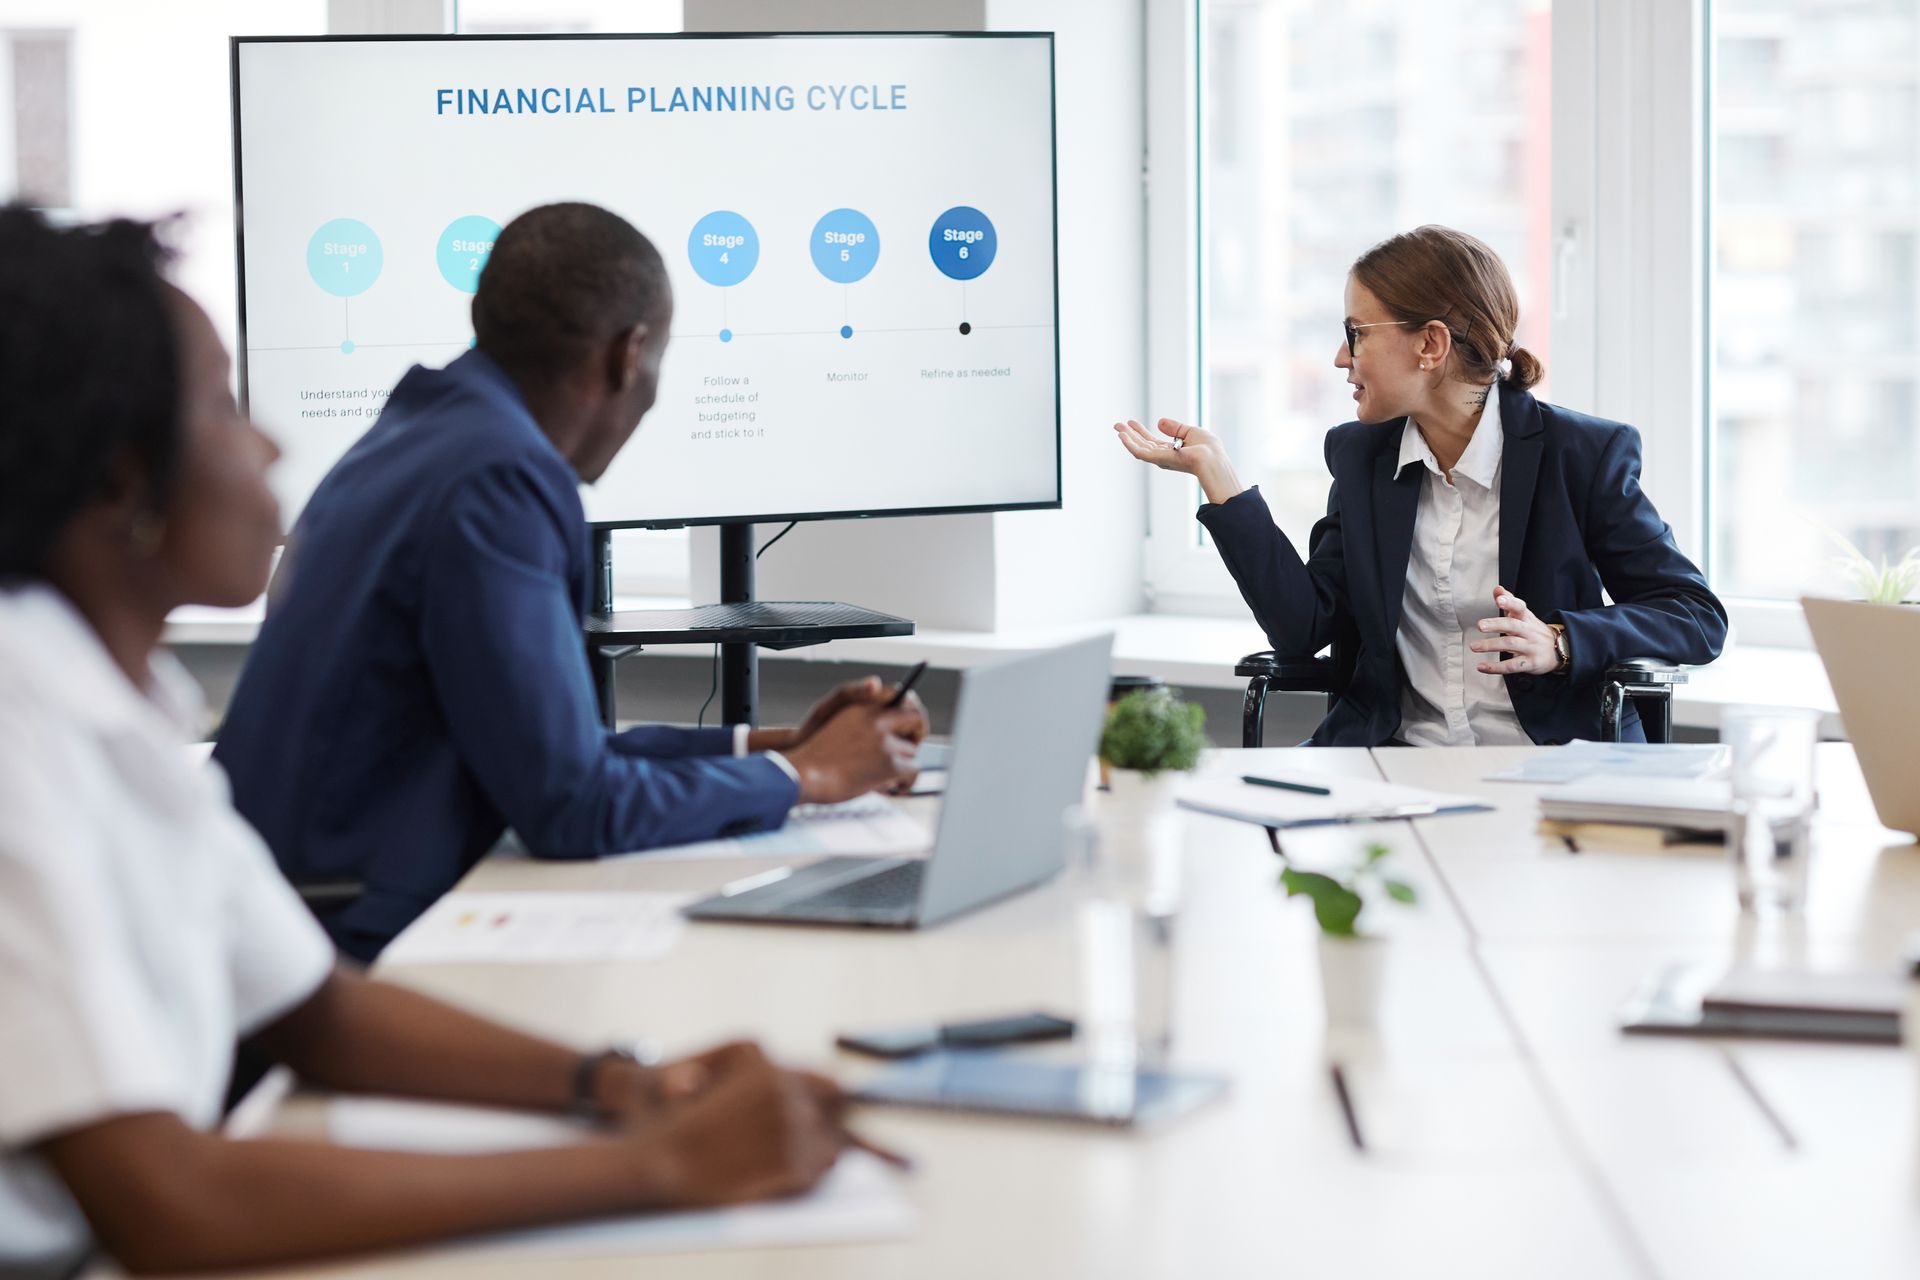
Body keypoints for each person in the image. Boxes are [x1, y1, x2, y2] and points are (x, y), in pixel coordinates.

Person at [0, 207, 867, 1279]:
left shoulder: (117, 698)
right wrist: (659, 1162)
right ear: (122, 478)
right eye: (224, 409)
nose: (268, 445)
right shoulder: (21, 732)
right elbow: (171, 1202)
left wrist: (630, 1083)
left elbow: (319, 1012)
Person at [215, 202, 927, 960]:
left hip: (284, 909)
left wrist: (774, 746)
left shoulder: (423, 434)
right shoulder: (501, 477)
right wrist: (809, 775)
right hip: (341, 942)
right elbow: (573, 807)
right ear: (631, 354)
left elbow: (555, 754)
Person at [1115, 225, 1726, 746]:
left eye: (1357, 332)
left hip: (1550, 766)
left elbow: (1696, 616)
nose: (1339, 357)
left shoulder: (1580, 455)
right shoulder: (1361, 457)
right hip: (1394, 765)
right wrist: (1221, 482)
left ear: (1430, 344)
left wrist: (1563, 641)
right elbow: (1304, 628)